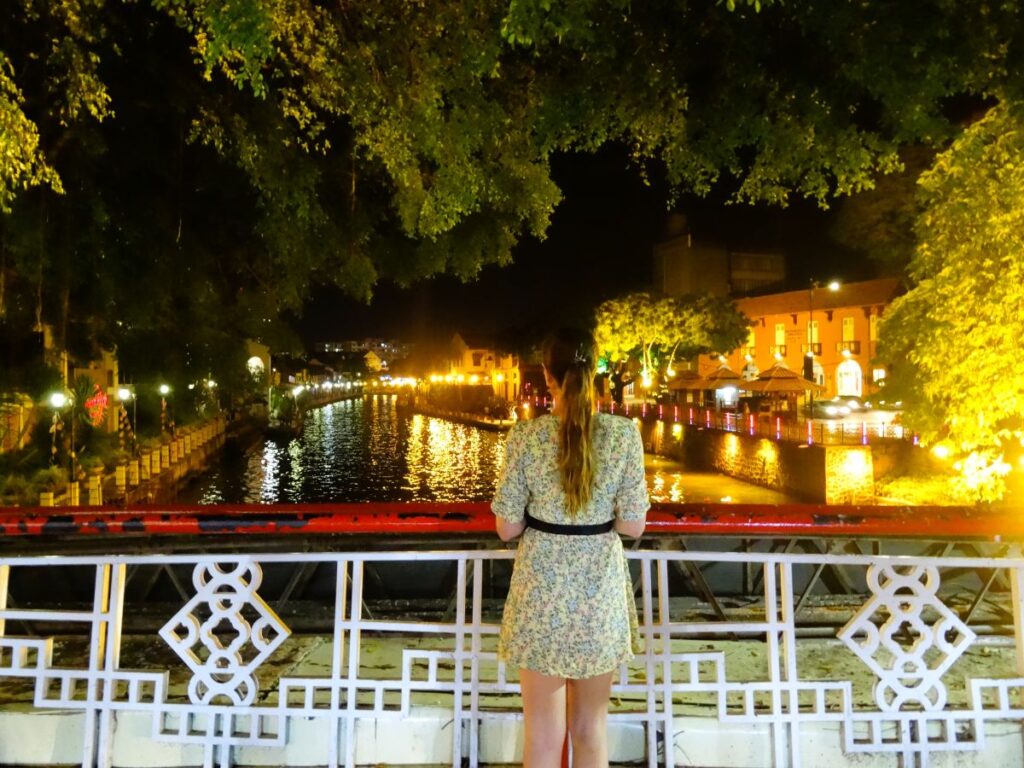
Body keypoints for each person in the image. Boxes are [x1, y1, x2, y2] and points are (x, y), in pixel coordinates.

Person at [492, 327, 650, 768]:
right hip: (599, 594)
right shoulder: (623, 435)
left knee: (543, 739)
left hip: (541, 593)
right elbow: (633, 525)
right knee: (590, 732)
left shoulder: (526, 437)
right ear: (596, 372)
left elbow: (506, 528)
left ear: (548, 376)